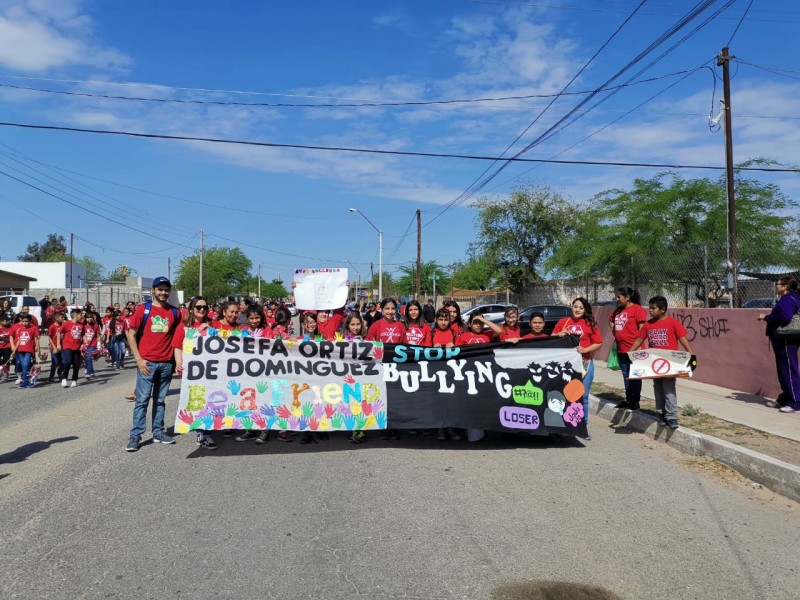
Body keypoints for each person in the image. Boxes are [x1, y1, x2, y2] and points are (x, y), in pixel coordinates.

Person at [125, 276, 180, 452]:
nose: (163, 293)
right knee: (141, 401)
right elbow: (130, 334)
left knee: (160, 400)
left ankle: (158, 432)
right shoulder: (143, 310)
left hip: (166, 364)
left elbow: (182, 334)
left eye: (166, 290)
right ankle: (136, 435)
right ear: (154, 291)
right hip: (147, 363)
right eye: (160, 289)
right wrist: (139, 359)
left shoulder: (175, 312)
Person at [630, 296, 696, 429]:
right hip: (654, 363)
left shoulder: (672, 322)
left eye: (653, 308)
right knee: (658, 388)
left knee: (669, 389)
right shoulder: (648, 325)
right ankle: (661, 413)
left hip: (670, 364)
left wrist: (691, 354)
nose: (651, 311)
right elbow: (639, 340)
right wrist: (630, 354)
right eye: (650, 308)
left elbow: (682, 338)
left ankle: (671, 416)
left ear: (663, 309)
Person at [554, 297, 603, 440]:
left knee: (584, 397)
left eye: (581, 308)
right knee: (564, 396)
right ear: (571, 307)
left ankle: (583, 428)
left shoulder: (590, 324)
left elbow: (598, 342)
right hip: (566, 367)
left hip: (585, 364)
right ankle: (563, 427)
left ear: (585, 309)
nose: (577, 310)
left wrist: (585, 349)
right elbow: (552, 337)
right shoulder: (563, 322)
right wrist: (559, 334)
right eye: (575, 306)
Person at [173, 296, 216, 449]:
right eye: (199, 307)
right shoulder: (184, 326)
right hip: (193, 371)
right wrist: (179, 362)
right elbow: (177, 346)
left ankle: (208, 430)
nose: (202, 310)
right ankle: (202, 433)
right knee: (197, 401)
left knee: (209, 400)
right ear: (191, 309)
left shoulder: (212, 324)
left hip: (211, 370)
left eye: (205, 307)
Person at [758, 276, 800, 413]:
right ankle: (785, 398)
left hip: (786, 339)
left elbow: (785, 317)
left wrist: (766, 317)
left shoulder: (788, 299)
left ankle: (795, 402)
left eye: (778, 284)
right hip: (784, 339)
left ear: (785, 286)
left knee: (788, 369)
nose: (776, 286)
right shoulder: (792, 297)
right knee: (783, 369)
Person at [610, 287, 648, 411]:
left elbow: (642, 330)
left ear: (627, 297)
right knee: (626, 376)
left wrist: (634, 347)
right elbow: (611, 320)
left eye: (619, 297)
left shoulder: (638, 310)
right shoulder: (618, 311)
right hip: (621, 350)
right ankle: (628, 399)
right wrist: (615, 332)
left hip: (635, 351)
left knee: (635, 377)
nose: (617, 299)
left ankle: (635, 401)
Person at [9, 312, 39, 388]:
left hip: (29, 350)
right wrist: (14, 351)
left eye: (27, 321)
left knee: (25, 365)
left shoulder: (33, 328)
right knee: (23, 365)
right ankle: (26, 382)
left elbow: (36, 339)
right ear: (21, 321)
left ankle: (26, 381)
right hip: (20, 350)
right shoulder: (20, 329)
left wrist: (38, 348)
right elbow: (19, 340)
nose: (25, 323)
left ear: (30, 321)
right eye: (23, 321)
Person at [58, 308, 85, 388]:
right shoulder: (67, 324)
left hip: (77, 347)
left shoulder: (81, 325)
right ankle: (64, 378)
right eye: (81, 315)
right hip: (67, 346)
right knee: (67, 362)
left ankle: (74, 380)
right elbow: (59, 333)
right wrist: (58, 344)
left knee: (76, 364)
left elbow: (83, 335)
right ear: (76, 316)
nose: (82, 316)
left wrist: (84, 344)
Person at [82, 311, 102, 381]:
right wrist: (85, 342)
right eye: (87, 317)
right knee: (86, 359)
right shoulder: (83, 326)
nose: (89, 319)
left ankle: (88, 373)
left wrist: (99, 345)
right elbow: (83, 335)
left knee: (89, 358)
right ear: (85, 318)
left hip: (93, 344)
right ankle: (92, 372)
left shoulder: (96, 326)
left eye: (90, 317)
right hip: (85, 345)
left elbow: (98, 335)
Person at [47, 311, 65, 382]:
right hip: (54, 347)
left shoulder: (63, 325)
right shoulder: (52, 327)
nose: (63, 318)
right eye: (61, 317)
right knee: (55, 362)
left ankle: (60, 374)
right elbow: (50, 337)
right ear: (56, 318)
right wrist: (54, 346)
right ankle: (51, 377)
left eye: (63, 317)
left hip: (62, 346)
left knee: (62, 361)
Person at [0, 313, 13, 380]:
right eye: (4, 321)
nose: (6, 322)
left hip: (7, 347)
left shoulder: (10, 328)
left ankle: (6, 373)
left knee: (6, 361)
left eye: (7, 320)